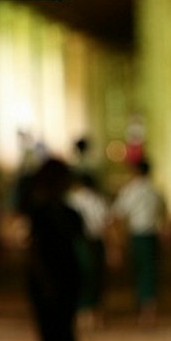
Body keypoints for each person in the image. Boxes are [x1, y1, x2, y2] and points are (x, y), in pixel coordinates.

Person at [20, 159, 85, 341]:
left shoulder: (67, 212)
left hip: (65, 275)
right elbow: (34, 249)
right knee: (52, 327)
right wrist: (44, 279)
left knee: (63, 326)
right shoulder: (40, 213)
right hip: (48, 276)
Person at [112, 158, 166, 326]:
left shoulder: (130, 191)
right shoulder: (155, 191)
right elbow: (163, 214)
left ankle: (144, 308)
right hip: (151, 235)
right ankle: (149, 309)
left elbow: (118, 213)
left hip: (137, 235)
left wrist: (117, 240)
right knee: (150, 271)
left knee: (140, 270)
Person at [66, 138, 110, 330]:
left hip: (78, 240)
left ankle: (82, 313)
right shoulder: (97, 197)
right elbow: (106, 220)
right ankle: (95, 313)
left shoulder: (72, 199)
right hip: (95, 240)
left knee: (79, 276)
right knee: (96, 277)